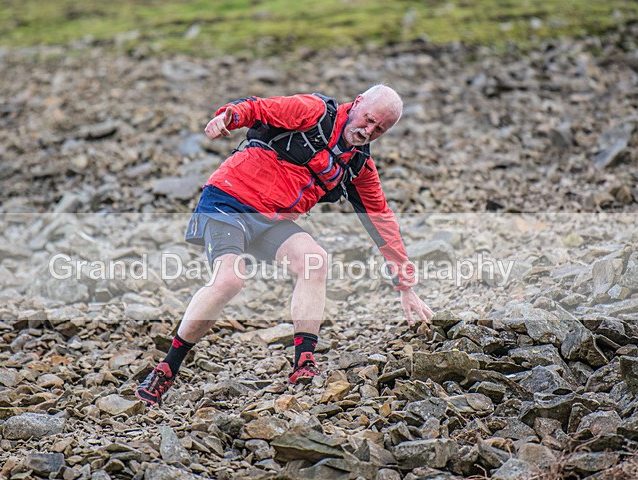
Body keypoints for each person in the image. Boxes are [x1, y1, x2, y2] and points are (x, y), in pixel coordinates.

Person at [136, 85, 433, 406]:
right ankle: (166, 368)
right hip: (228, 199)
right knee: (229, 281)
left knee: (315, 260)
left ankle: (304, 363)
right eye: (369, 120)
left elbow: (382, 220)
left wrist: (406, 286)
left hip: (271, 220)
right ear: (358, 102)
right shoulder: (314, 111)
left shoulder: (358, 166)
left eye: (380, 129)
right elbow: (259, 108)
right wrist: (228, 117)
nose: (368, 131)